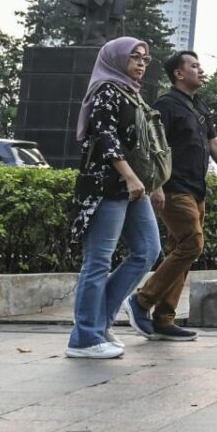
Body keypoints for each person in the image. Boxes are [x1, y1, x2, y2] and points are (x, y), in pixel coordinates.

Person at [123, 51, 217, 342]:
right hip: (173, 187)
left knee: (179, 249)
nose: (201, 70)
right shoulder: (165, 105)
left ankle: (164, 319)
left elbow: (213, 144)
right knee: (192, 244)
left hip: (196, 188)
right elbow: (152, 147)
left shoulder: (200, 105)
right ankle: (141, 300)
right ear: (179, 74)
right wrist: (156, 185)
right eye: (194, 66)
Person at [66, 37, 162, 359]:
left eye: (145, 59)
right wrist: (129, 176)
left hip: (134, 185)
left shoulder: (132, 94)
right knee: (97, 261)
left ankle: (100, 323)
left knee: (148, 249)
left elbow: (143, 146)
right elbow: (106, 137)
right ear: (116, 58)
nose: (141, 63)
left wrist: (153, 182)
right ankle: (83, 339)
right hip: (106, 184)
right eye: (134, 57)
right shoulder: (105, 90)